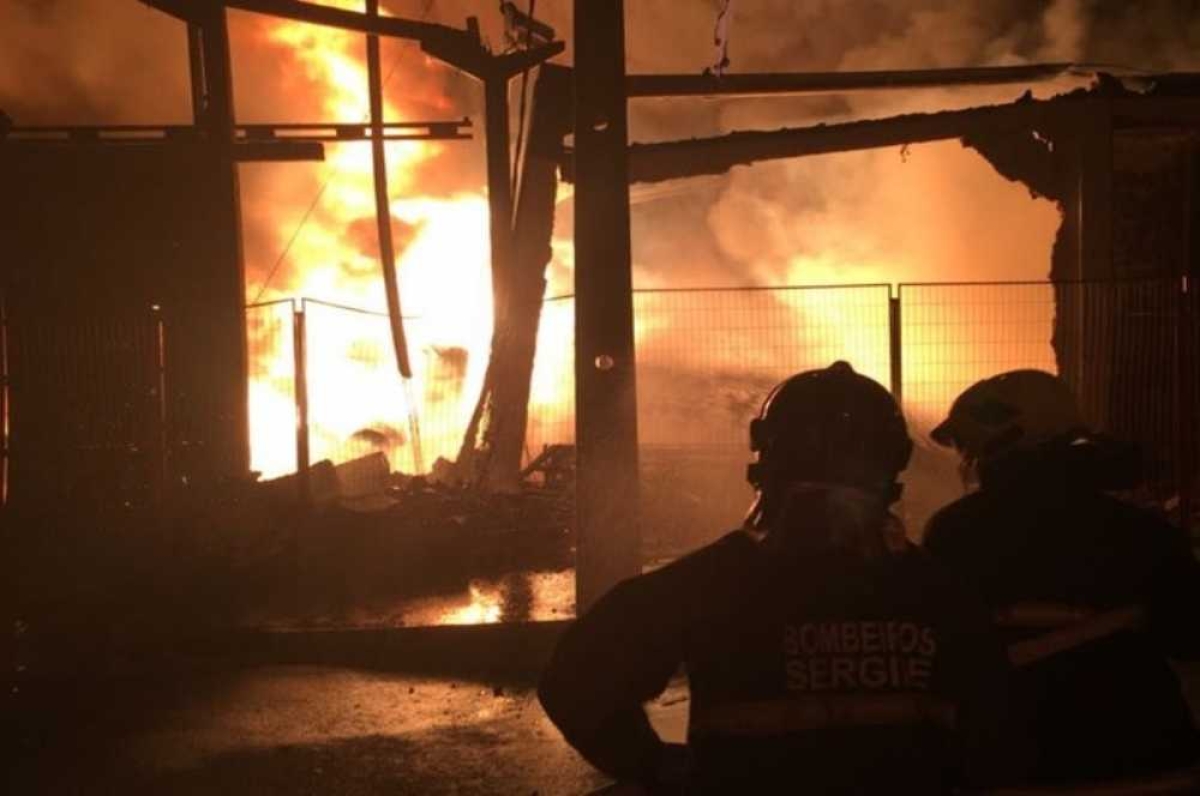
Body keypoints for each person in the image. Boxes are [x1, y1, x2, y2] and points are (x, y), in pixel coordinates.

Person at [539, 361, 1020, 794]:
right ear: (893, 462)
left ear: (766, 456)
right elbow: (993, 728)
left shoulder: (707, 583)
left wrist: (658, 766)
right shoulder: (938, 590)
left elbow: (576, 681)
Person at [924, 369, 1200, 786]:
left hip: (1010, 759)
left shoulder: (954, 533)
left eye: (968, 446)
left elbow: (939, 655)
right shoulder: (1142, 532)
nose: (967, 460)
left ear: (1003, 441)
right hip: (1145, 757)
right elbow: (1188, 637)